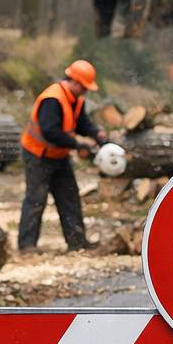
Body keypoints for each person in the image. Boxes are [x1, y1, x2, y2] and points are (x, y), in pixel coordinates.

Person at [18, 59, 107, 252]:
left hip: (59, 155)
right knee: (36, 199)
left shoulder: (77, 100)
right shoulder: (53, 99)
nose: (85, 91)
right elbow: (50, 131)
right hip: (38, 155)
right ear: (74, 81)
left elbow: (82, 123)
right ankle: (26, 246)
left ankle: (77, 242)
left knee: (69, 197)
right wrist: (77, 144)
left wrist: (96, 134)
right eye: (83, 87)